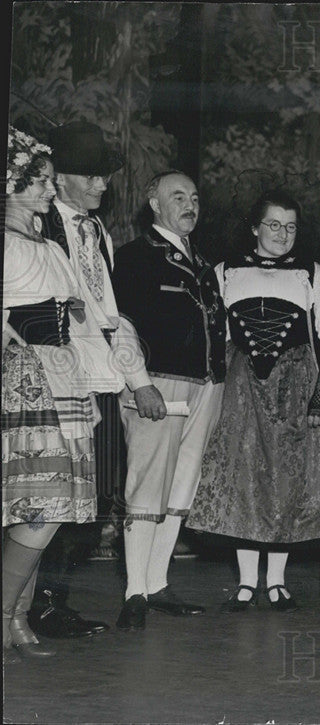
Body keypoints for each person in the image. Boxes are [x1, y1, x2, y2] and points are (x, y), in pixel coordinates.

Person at [186, 190, 320, 611]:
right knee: (244, 474)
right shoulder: (224, 272)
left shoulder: (312, 274)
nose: (282, 233)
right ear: (256, 228)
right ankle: (245, 583)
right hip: (241, 383)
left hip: (295, 382)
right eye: (274, 225)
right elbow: (212, 334)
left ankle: (276, 582)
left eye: (291, 226)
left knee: (288, 477)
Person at [3, 127, 123, 659]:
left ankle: (13, 615)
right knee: (31, 506)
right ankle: (7, 615)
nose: (51, 191)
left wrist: (79, 369)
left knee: (48, 505)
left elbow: (78, 314)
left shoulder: (51, 246)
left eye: (52, 182)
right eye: (40, 182)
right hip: (21, 383)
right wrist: (22, 355)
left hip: (62, 382)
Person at [110, 170, 228, 630]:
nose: (189, 204)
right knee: (147, 483)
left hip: (205, 386)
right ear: (154, 204)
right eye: (177, 196)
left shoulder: (201, 261)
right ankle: (134, 591)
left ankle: (157, 584)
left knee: (181, 486)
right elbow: (119, 325)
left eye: (195, 197)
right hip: (156, 385)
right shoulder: (134, 258)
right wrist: (140, 383)